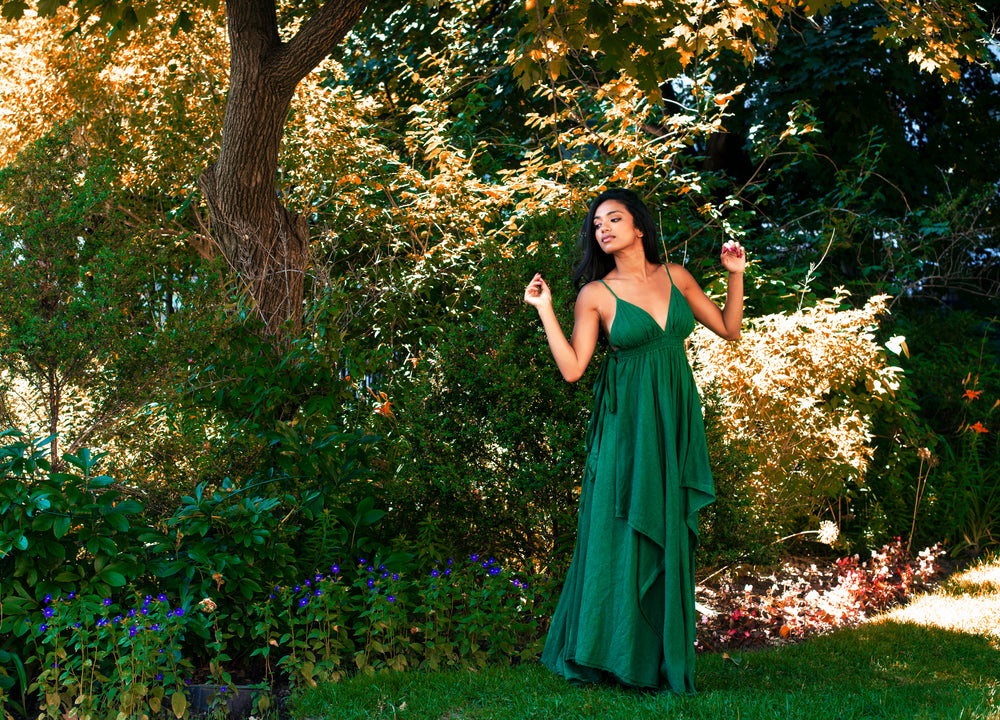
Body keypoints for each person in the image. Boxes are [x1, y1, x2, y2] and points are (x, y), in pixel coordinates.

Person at [523, 188, 745, 693]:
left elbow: (729, 329)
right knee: (619, 532)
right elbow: (574, 369)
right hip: (627, 428)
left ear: (639, 227)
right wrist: (545, 309)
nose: (603, 229)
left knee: (668, 527)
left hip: (674, 420)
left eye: (614, 218)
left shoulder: (677, 277)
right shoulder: (596, 294)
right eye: (597, 224)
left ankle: (660, 660)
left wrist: (735, 275)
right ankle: (613, 654)